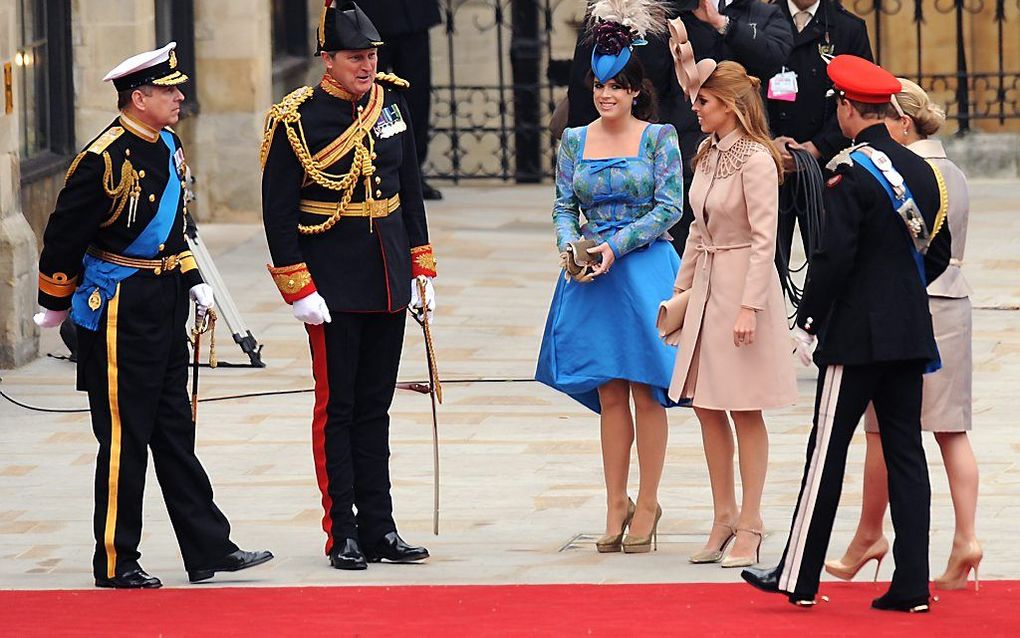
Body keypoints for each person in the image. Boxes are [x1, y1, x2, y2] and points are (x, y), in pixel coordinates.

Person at [33, 42, 272, 588]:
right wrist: (54, 302)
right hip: (120, 307)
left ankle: (208, 547)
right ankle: (117, 560)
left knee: (173, 431)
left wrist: (194, 281)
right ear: (138, 98)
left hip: (163, 305)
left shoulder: (167, 144)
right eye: (169, 91)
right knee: (124, 437)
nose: (180, 97)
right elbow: (64, 234)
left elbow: (173, 229)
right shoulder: (103, 159)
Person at [741, 55, 952, 612]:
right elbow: (939, 253)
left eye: (839, 104)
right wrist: (896, 294)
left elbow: (832, 257)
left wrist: (809, 320)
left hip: (856, 338)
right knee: (907, 454)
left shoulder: (852, 171)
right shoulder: (923, 170)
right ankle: (912, 585)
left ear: (848, 107)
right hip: (909, 334)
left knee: (826, 454)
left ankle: (799, 576)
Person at [261, 1, 435, 571]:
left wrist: (421, 267)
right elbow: (279, 212)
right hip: (332, 281)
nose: (367, 66)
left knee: (376, 408)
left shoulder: (392, 103)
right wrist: (297, 286)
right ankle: (344, 531)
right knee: (337, 409)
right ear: (328, 60)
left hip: (387, 276)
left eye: (371, 56)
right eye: (356, 57)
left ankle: (381, 527)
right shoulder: (296, 118)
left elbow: (408, 190)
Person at [536, 2, 684, 555]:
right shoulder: (575, 140)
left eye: (617, 86)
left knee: (648, 391)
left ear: (635, 91)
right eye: (599, 85)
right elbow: (561, 206)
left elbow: (670, 208)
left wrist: (614, 246)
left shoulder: (660, 137)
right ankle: (615, 501)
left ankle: (649, 502)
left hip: (643, 269)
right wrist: (569, 247)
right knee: (609, 391)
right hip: (592, 278)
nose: (605, 95)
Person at [825, 78, 981, 591]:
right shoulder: (953, 170)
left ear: (902, 122)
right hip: (953, 298)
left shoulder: (906, 172)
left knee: (884, 434)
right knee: (951, 432)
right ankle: (966, 536)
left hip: (908, 305)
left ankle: (869, 534)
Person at [666, 31, 797, 568]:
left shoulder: (757, 160)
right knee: (705, 406)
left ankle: (752, 521)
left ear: (732, 106)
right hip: (708, 286)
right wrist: (680, 292)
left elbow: (767, 240)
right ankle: (722, 515)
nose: (694, 108)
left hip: (744, 285)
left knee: (744, 409)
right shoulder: (706, 151)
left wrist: (750, 307)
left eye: (704, 101)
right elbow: (697, 229)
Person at [566, 1, 792, 252]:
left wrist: (721, 23)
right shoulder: (656, 12)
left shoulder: (762, 13)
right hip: (680, 155)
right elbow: (633, 82)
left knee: (745, 240)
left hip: (741, 150)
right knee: (687, 247)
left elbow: (775, 57)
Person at [768, 0, 872, 268]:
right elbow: (744, 90)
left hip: (825, 165)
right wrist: (767, 144)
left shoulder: (847, 28)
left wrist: (817, 146)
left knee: (828, 259)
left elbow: (862, 100)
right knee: (767, 262)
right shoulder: (761, 21)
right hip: (769, 164)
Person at [359, 0, 443, 199]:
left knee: (416, 98)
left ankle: (413, 173)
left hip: (412, 15)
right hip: (368, 16)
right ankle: (365, 168)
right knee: (366, 96)